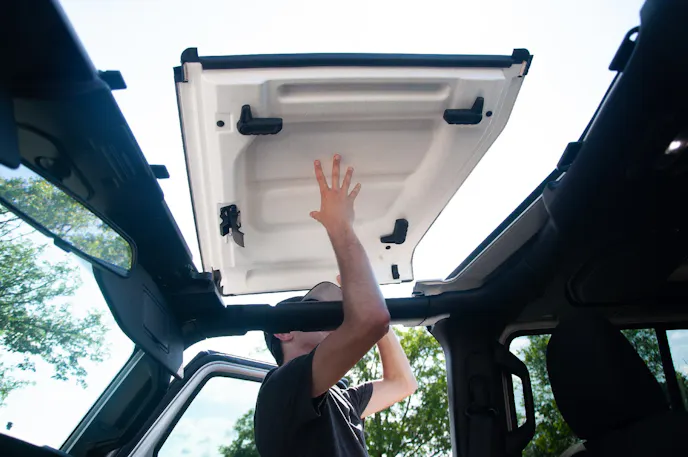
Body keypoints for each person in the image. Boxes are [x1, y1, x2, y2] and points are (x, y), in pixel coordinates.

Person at [254, 154, 418, 457]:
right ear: (284, 331)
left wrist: (367, 304)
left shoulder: (342, 395)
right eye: (316, 308)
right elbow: (370, 320)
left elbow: (401, 383)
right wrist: (339, 224)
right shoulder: (280, 388)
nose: (331, 318)